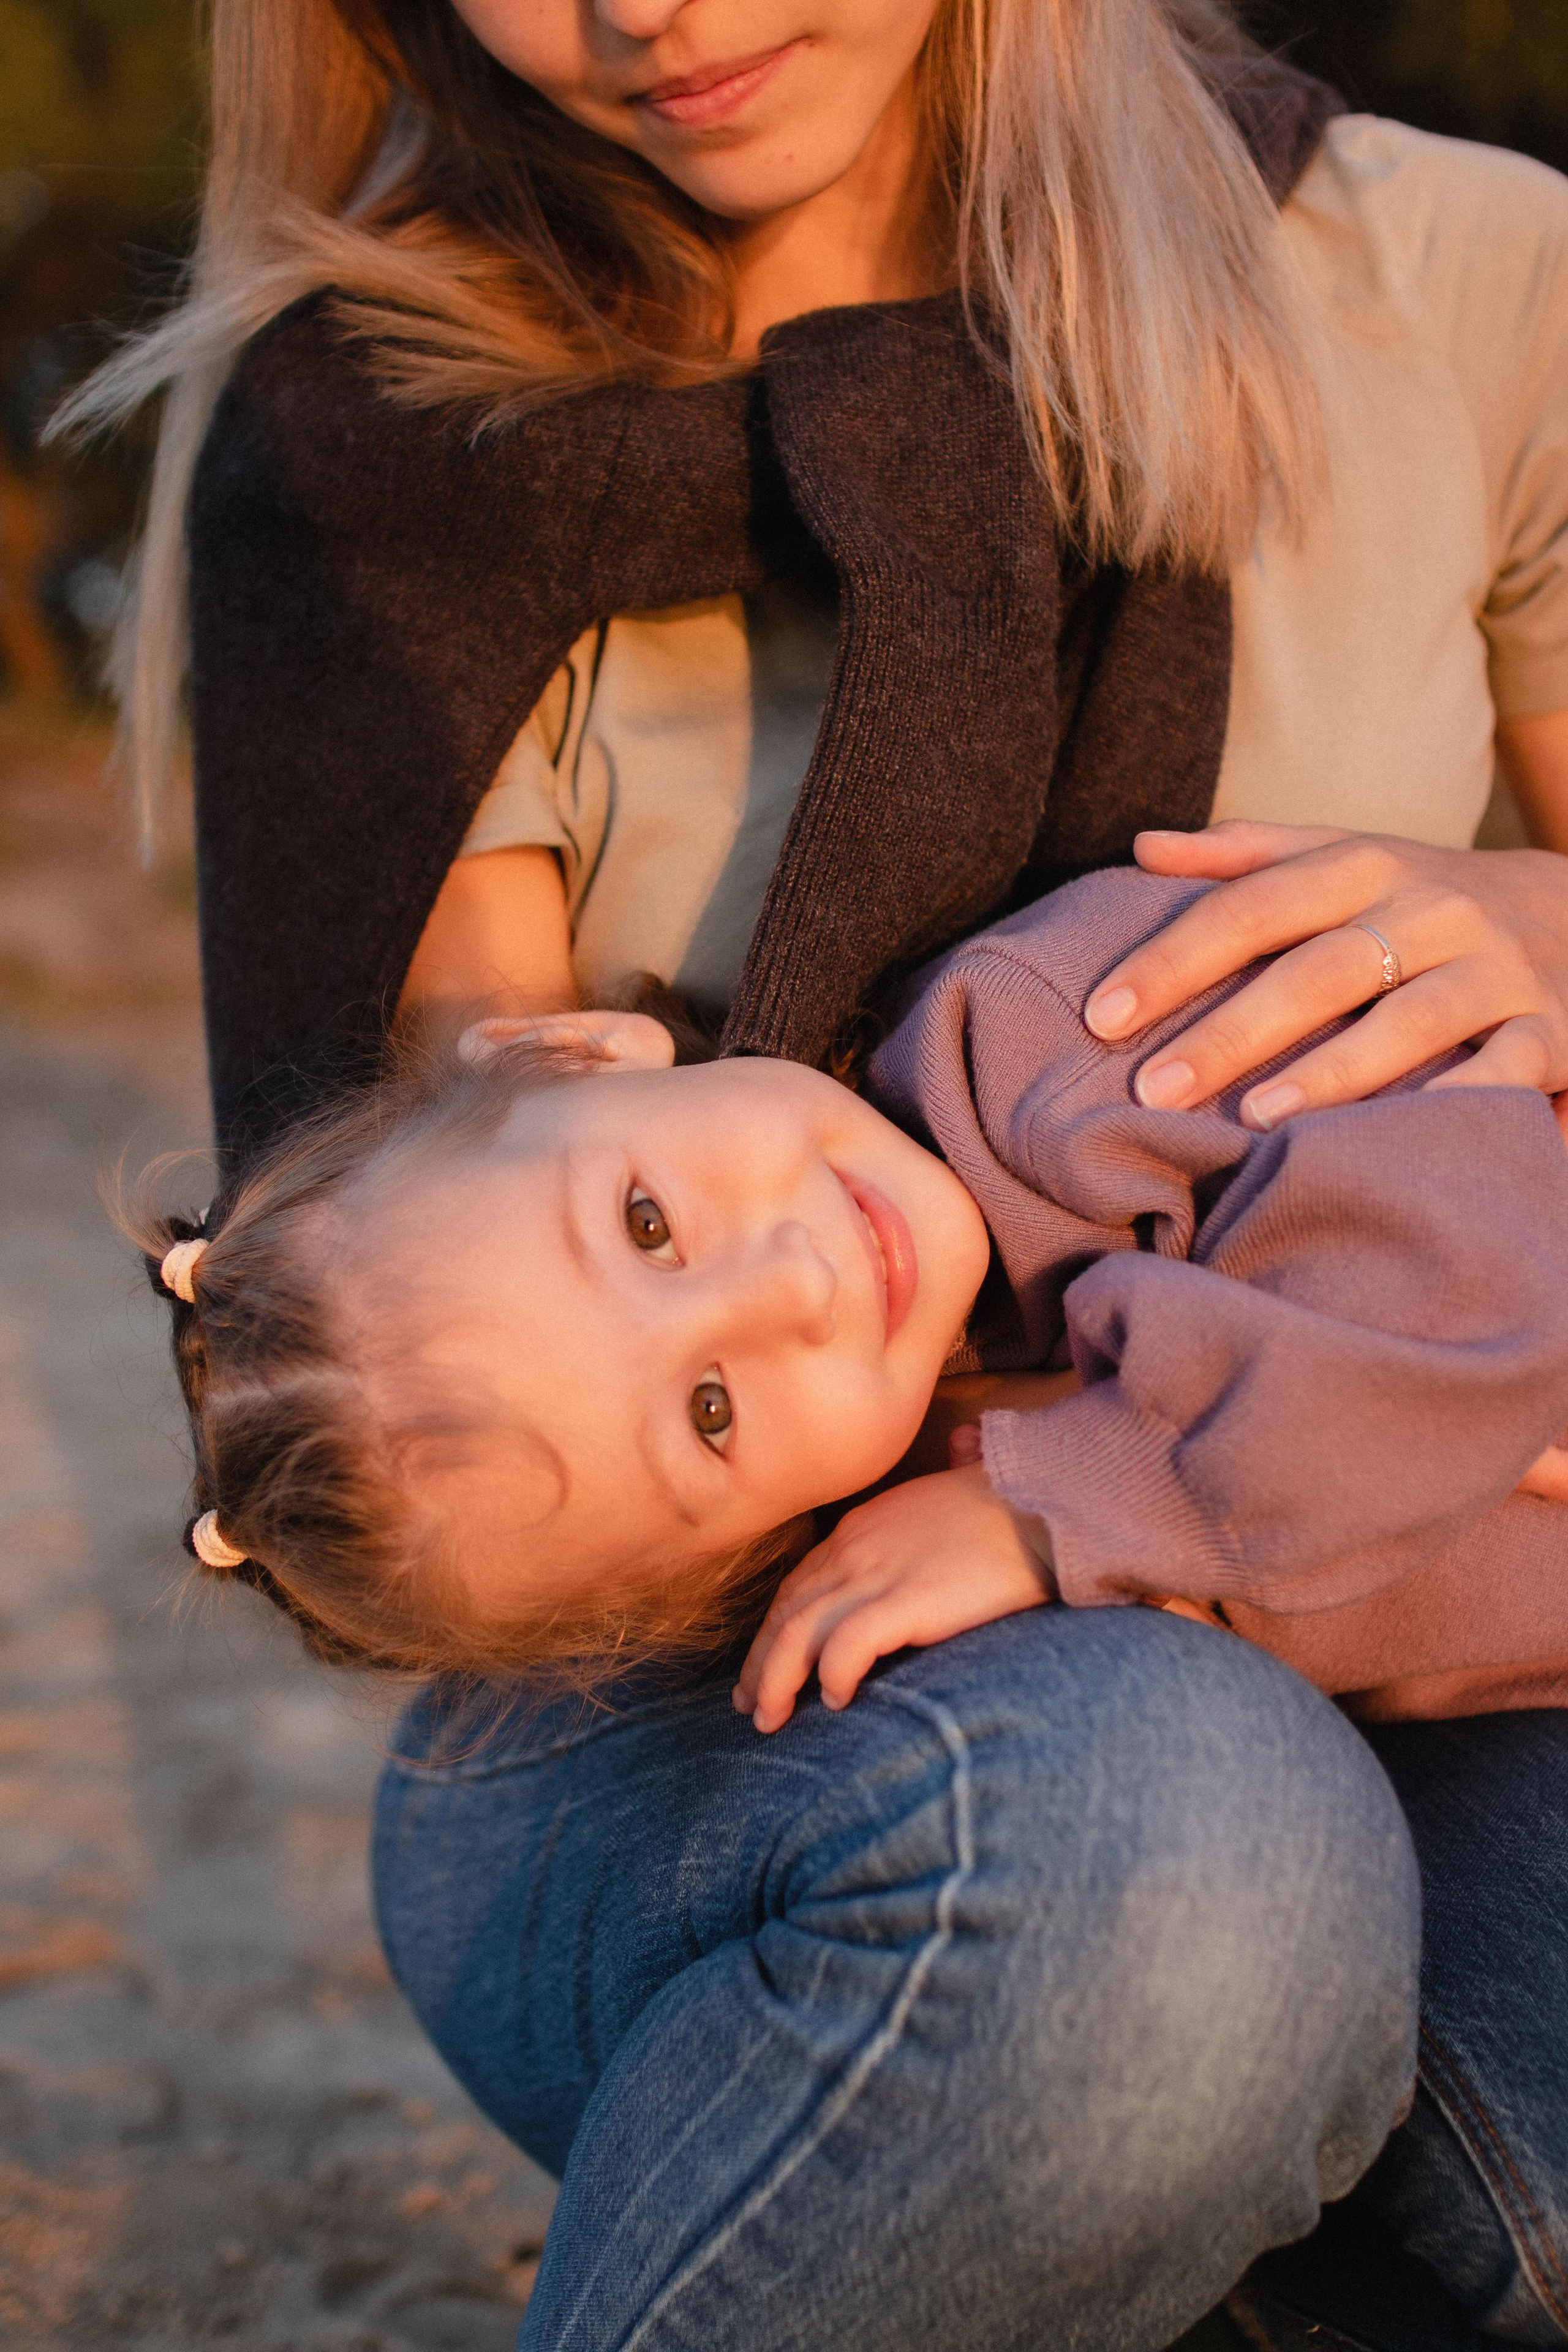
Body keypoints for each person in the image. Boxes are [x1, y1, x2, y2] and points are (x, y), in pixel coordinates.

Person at [61, 0, 1568, 2340]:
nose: (646, 7)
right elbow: (479, 1338)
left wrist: (1536, 929)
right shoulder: (392, 433)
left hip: (1452, 1638)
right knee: (1178, 1879)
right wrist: (1048, 1480)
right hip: (751, 1694)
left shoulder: (1464, 285)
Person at [138, 864, 1568, 1731]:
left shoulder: (1057, 1043)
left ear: (579, 1053)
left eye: (646, 1222)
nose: (790, 1286)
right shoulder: (933, 1510)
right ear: (721, 1564)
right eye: (709, 1412)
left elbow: (1456, 1298)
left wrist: (1060, 1503)